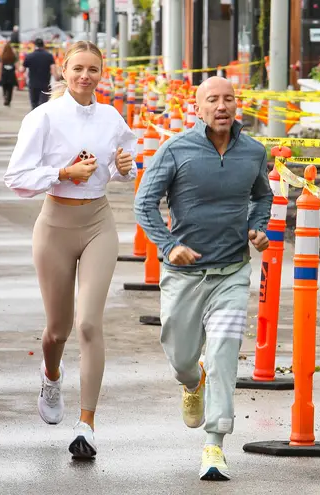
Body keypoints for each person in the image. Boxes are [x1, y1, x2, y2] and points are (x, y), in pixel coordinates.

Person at [133, 76, 272, 481]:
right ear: (198, 109)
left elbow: (262, 196)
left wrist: (256, 226)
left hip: (231, 270)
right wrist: (167, 244)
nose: (222, 106)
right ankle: (192, 383)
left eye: (229, 99)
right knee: (181, 358)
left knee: (224, 354)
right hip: (183, 274)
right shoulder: (176, 150)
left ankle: (214, 445)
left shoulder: (253, 152)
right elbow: (144, 203)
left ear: (237, 105)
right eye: (213, 99)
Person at [3, 41, 137, 459]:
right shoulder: (42, 118)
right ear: (63, 70)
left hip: (99, 223)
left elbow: (117, 169)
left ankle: (87, 425)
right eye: (77, 68)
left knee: (89, 324)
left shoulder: (112, 117)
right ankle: (52, 373)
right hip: (55, 225)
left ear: (102, 73)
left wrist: (123, 167)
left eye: (92, 69)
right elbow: (17, 177)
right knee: (58, 331)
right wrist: (62, 172)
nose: (85, 76)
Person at [22, 38, 56, 109]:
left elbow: (22, 70)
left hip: (33, 84)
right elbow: (53, 70)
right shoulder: (49, 56)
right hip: (45, 84)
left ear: (34, 45)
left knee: (34, 104)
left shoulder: (29, 56)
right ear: (43, 45)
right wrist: (57, 78)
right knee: (44, 105)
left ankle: (34, 119)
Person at [0, 42, 18, 107]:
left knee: (4, 86)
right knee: (10, 88)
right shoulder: (13, 56)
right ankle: (8, 100)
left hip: (4, 73)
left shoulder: (3, 55)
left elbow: (0, 65)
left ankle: (5, 96)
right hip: (11, 74)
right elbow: (16, 64)